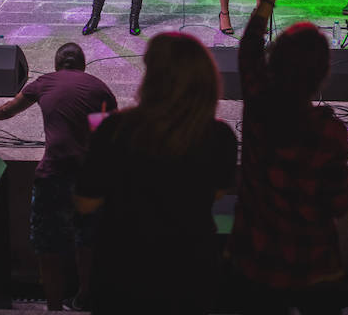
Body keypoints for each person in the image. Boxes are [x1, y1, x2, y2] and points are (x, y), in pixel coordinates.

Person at [226, 0, 348, 315]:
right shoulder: (328, 133)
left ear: (275, 60)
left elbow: (248, 48)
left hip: (256, 258)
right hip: (312, 264)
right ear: (322, 76)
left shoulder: (259, 106)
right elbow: (339, 202)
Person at [74, 32, 238, 314]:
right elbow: (218, 191)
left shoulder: (115, 129)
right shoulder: (220, 135)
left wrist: (97, 146)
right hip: (190, 268)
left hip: (124, 268)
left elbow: (85, 202)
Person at [0, 42, 117, 311]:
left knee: (48, 248)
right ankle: (84, 297)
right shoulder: (99, 87)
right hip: (87, 180)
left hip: (53, 176)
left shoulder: (45, 82)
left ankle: (53, 306)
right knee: (87, 243)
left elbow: (12, 108)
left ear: (56, 66)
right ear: (83, 65)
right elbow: (108, 133)